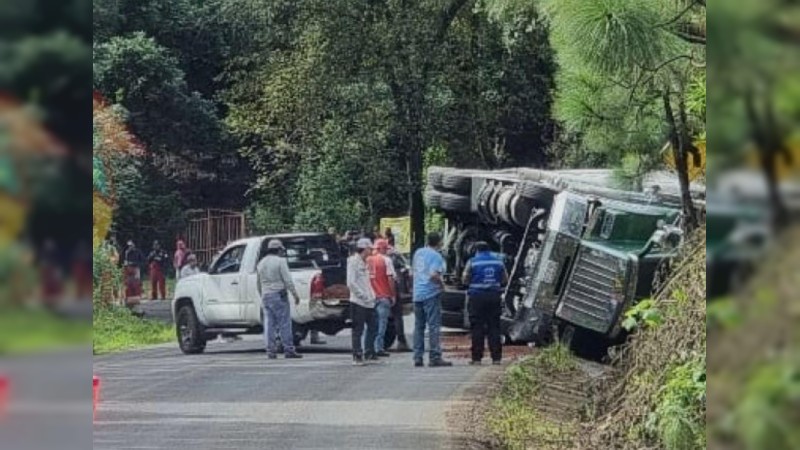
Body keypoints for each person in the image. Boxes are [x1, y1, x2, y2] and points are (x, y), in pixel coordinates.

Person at [462, 241, 508, 365]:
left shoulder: (472, 262)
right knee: (494, 327)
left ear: (476, 251)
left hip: (477, 297)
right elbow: (505, 279)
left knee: (477, 328)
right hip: (494, 297)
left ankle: (477, 358)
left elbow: (465, 280)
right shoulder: (498, 262)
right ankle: (496, 358)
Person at [257, 239, 303, 359]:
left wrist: (262, 294)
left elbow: (258, 283)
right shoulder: (280, 261)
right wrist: (295, 294)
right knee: (284, 324)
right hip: (279, 294)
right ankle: (289, 349)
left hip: (266, 295)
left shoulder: (261, 263)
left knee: (269, 324)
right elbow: (287, 280)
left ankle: (270, 351)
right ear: (278, 250)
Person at [411, 232, 452, 367]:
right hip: (431, 294)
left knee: (419, 326)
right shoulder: (436, 256)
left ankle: (417, 356)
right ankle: (435, 356)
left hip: (417, 293)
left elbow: (414, 271)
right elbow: (434, 274)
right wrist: (442, 286)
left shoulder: (418, 253)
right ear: (439, 242)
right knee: (433, 326)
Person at [347, 237, 378, 365]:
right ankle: (357, 355)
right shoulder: (353, 261)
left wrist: (372, 295)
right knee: (357, 330)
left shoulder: (365, 262)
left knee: (373, 327)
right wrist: (363, 295)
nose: (371, 251)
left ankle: (369, 352)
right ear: (364, 249)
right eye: (370, 249)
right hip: (358, 302)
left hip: (369, 301)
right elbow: (351, 283)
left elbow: (366, 282)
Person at [368, 239, 396, 357]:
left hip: (370, 297)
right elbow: (390, 279)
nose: (387, 251)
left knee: (369, 324)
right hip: (383, 295)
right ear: (382, 249)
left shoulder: (367, 260)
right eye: (386, 249)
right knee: (381, 323)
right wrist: (393, 294)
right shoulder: (386, 260)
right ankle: (379, 348)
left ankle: (368, 347)